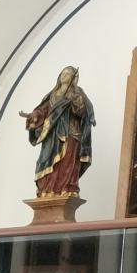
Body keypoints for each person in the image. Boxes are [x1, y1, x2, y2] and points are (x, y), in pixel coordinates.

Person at [22, 65, 95, 197]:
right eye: (63, 73)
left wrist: (75, 102)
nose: (64, 76)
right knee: (47, 160)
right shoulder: (52, 95)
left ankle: (67, 188)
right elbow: (43, 110)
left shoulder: (77, 93)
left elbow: (84, 112)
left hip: (70, 132)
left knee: (67, 162)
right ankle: (47, 190)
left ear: (73, 78)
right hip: (52, 133)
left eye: (67, 74)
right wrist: (34, 115)